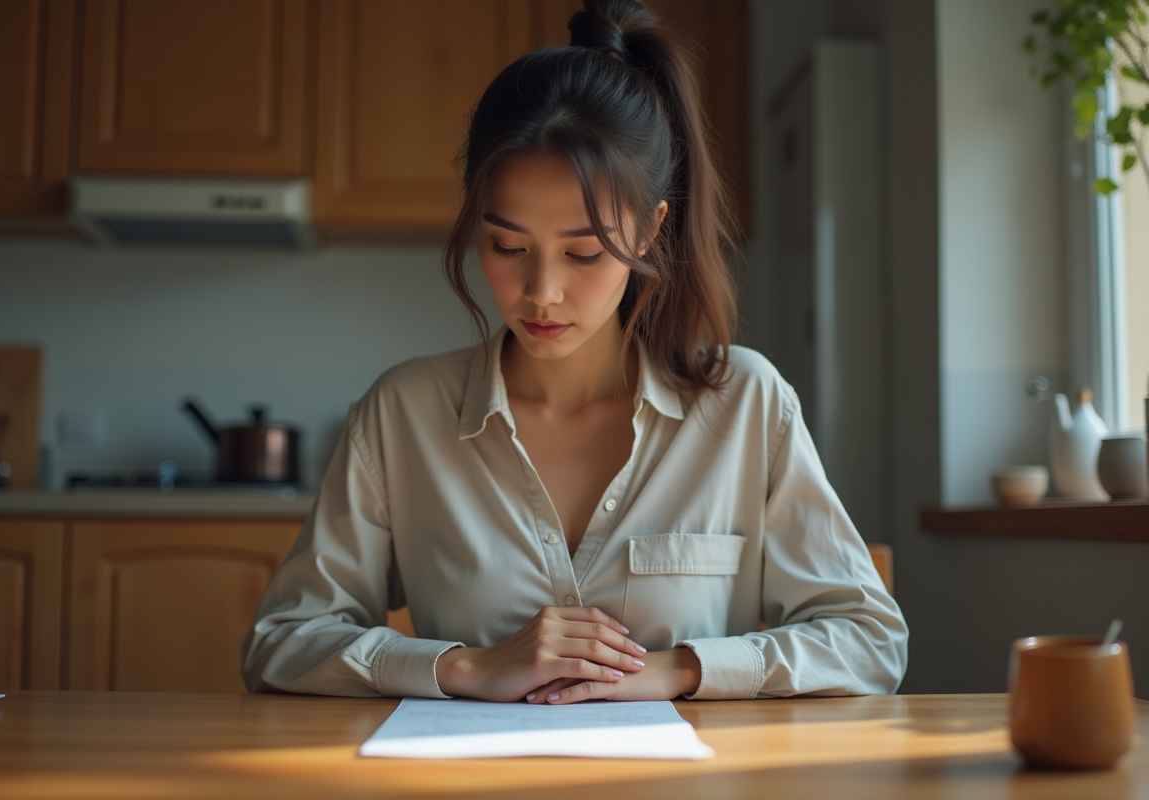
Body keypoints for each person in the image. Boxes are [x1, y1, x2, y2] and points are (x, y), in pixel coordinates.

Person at [242, 0, 908, 704]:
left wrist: (674, 670)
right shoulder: (401, 414)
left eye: (585, 252)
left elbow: (868, 640)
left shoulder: (745, 402)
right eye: (507, 246)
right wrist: (466, 667)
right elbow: (280, 643)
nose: (542, 292)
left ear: (652, 230)